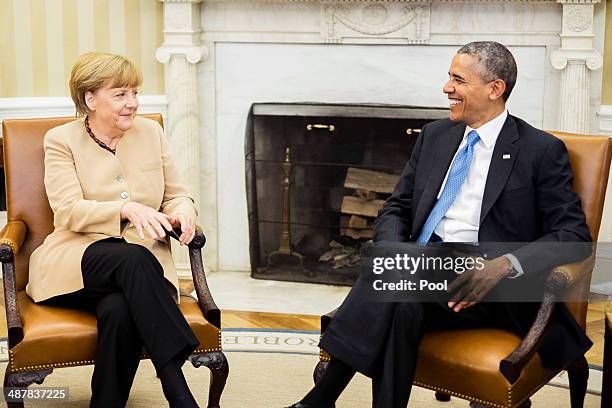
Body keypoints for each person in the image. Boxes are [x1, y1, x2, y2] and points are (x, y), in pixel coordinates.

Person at [288, 41, 593, 407]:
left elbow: (573, 235)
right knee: (401, 300)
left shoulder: (539, 150)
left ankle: (318, 400)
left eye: (458, 80)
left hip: (487, 283)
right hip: (423, 268)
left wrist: (504, 265)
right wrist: (394, 249)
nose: (446, 88)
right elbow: (397, 207)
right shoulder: (435, 135)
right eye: (449, 77)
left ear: (495, 89)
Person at [27, 52, 200, 408]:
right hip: (74, 262)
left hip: (137, 274)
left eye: (135, 93)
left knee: (119, 310)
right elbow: (68, 210)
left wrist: (184, 210)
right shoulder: (60, 140)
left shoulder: (150, 132)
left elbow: (177, 195)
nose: (133, 103)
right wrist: (125, 208)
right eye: (121, 94)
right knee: (131, 259)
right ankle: (179, 393)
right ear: (90, 99)